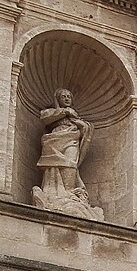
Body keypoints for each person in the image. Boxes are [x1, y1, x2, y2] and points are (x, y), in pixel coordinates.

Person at [32, 88, 102, 219]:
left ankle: (69, 192)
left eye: (69, 96)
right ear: (58, 99)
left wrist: (82, 125)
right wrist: (64, 112)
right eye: (63, 96)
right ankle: (55, 193)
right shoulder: (53, 112)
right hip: (55, 140)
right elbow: (44, 117)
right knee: (54, 165)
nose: (66, 98)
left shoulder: (75, 116)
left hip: (72, 141)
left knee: (70, 164)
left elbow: (86, 128)